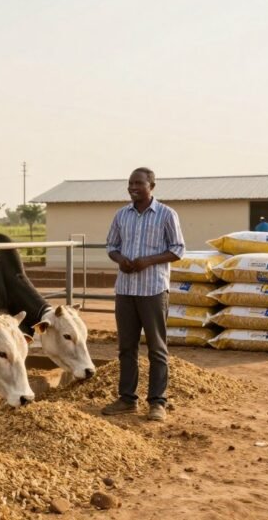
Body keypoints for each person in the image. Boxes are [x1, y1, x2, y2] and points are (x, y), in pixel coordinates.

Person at [101, 167, 185, 422]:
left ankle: (157, 402)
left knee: (157, 348)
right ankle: (127, 399)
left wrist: (149, 260)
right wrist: (120, 259)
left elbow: (178, 249)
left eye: (138, 183)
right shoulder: (121, 215)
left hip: (153, 290)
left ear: (151, 186)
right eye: (130, 184)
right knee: (127, 347)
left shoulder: (166, 215)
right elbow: (111, 246)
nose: (133, 188)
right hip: (125, 290)